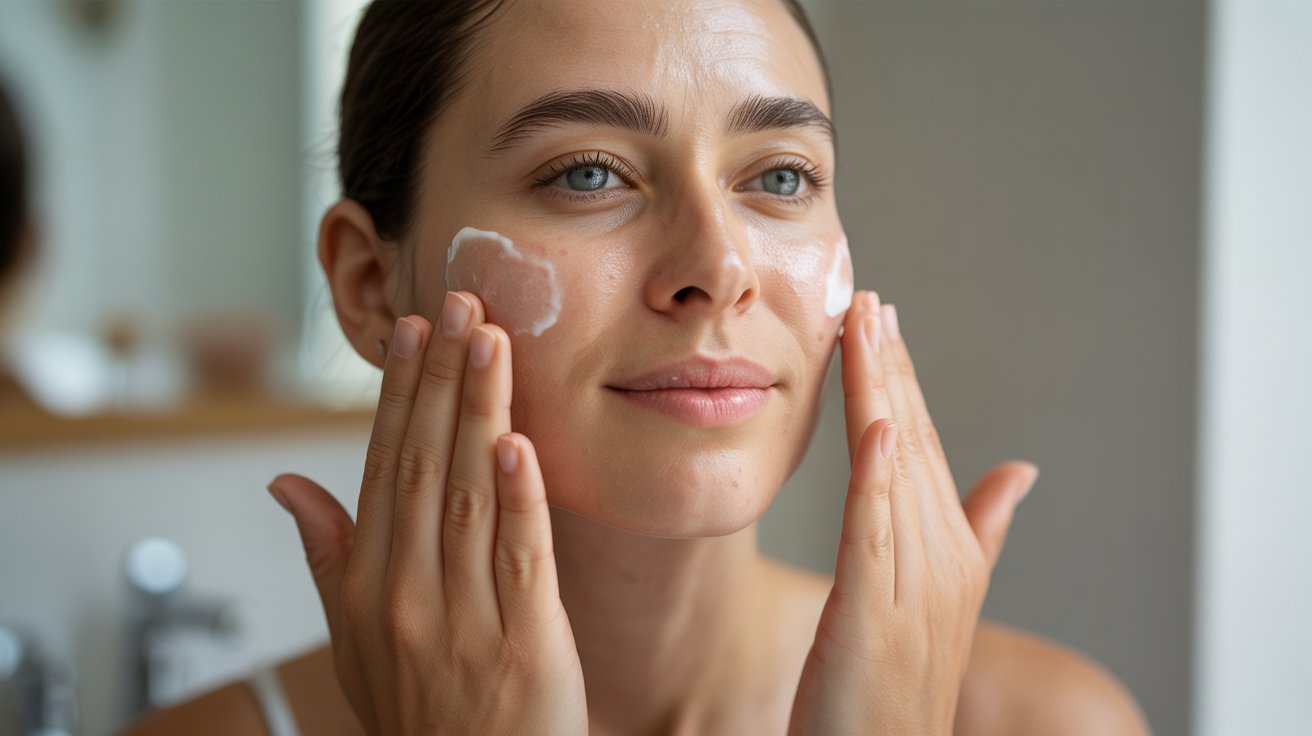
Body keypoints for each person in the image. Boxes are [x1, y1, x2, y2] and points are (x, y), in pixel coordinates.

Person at [126, 1, 1150, 733]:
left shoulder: (1046, 721)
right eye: (587, 173)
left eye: (780, 176)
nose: (716, 268)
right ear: (366, 282)